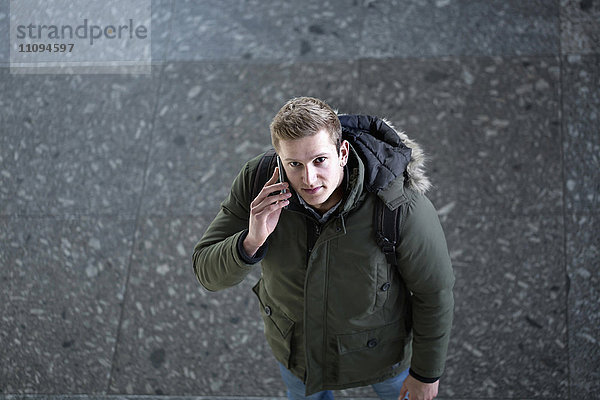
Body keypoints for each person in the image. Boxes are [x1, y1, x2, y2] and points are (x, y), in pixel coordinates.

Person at [192, 97, 454, 400]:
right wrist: (251, 240)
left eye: (320, 160)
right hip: (298, 354)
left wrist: (425, 374)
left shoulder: (397, 204)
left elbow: (434, 292)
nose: (309, 178)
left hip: (384, 355)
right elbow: (206, 273)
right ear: (279, 159)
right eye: (294, 164)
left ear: (342, 153)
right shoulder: (256, 182)